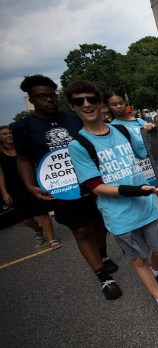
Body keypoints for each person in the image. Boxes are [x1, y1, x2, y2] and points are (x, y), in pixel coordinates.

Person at [66, 80, 158, 329]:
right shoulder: (79, 145)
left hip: (147, 206)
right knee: (138, 260)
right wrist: (135, 190)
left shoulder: (123, 131)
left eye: (91, 99)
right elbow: (95, 186)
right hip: (119, 216)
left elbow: (143, 153)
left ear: (101, 104)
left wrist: (149, 131)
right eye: (79, 101)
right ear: (72, 107)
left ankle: (157, 273)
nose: (87, 105)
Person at [13, 74, 121, 300]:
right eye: (42, 97)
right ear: (31, 99)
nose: (49, 100)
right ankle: (103, 277)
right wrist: (30, 186)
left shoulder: (73, 118)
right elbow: (23, 159)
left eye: (52, 95)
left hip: (91, 183)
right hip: (61, 189)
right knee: (81, 230)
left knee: (100, 225)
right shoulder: (23, 127)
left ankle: (102, 254)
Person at [105, 91, 158, 256]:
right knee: (151, 208)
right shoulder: (113, 128)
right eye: (114, 104)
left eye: (121, 102)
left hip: (153, 167)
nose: (119, 106)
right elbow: (135, 152)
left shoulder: (139, 121)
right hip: (136, 173)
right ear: (108, 107)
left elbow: (155, 144)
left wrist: (151, 131)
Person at [0, 125, 56, 250]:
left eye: (10, 132)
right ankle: (38, 230)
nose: (9, 135)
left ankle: (52, 240)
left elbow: (37, 165)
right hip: (15, 189)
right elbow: (1, 176)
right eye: (5, 134)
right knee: (26, 219)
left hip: (32, 184)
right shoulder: (0, 156)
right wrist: (4, 192)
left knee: (42, 213)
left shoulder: (23, 149)